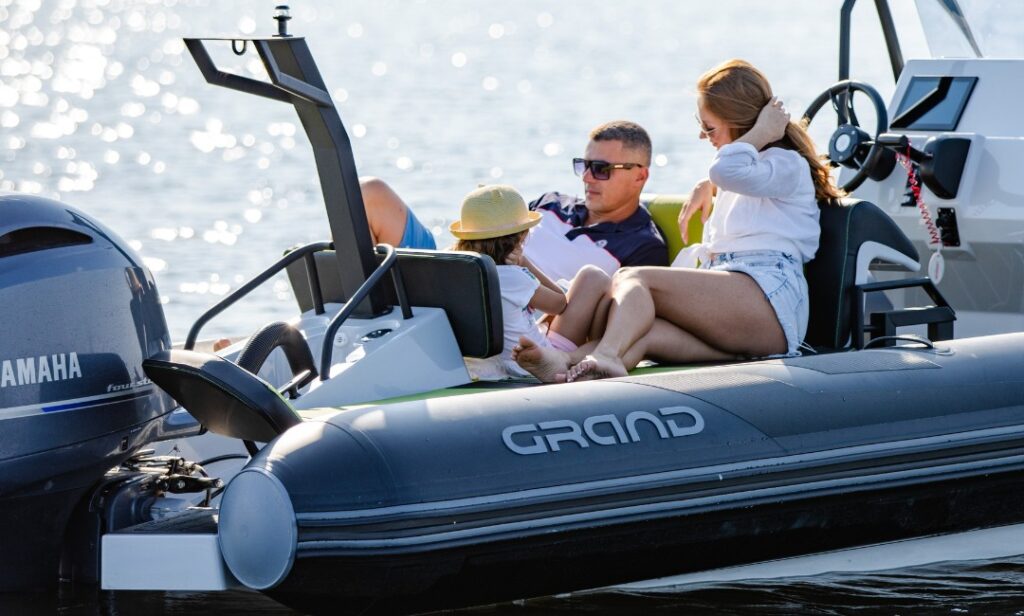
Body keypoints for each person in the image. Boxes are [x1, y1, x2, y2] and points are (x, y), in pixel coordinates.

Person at [515, 59, 841, 382]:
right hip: (741, 311)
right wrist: (709, 184)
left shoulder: (787, 164)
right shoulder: (750, 170)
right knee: (645, 332)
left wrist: (760, 133)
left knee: (634, 278)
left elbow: (727, 170)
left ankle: (607, 355)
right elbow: (729, 174)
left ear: (742, 121)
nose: (703, 136)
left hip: (771, 301)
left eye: (709, 127)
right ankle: (570, 363)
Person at [358, 120, 667, 281]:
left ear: (640, 176)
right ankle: (350, 314)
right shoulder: (550, 203)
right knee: (371, 192)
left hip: (500, 313)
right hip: (454, 273)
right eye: (583, 165)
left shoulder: (642, 245)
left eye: (600, 170)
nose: (586, 178)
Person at [450, 184, 611, 378]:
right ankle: (580, 361)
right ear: (523, 235)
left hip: (498, 357)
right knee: (593, 277)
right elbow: (560, 303)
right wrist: (524, 263)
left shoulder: (461, 271)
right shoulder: (513, 277)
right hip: (537, 358)